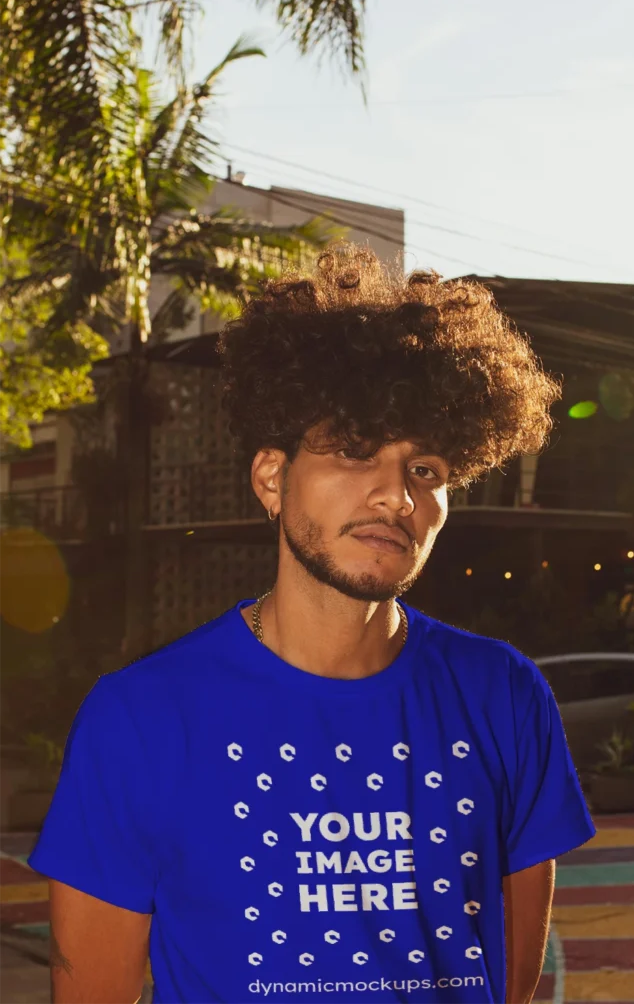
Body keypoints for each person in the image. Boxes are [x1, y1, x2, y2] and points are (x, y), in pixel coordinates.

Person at [28, 243, 596, 1003]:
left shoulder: (502, 693)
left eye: (424, 470)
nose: (397, 495)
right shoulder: (142, 716)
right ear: (272, 477)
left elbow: (510, 982)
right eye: (356, 452)